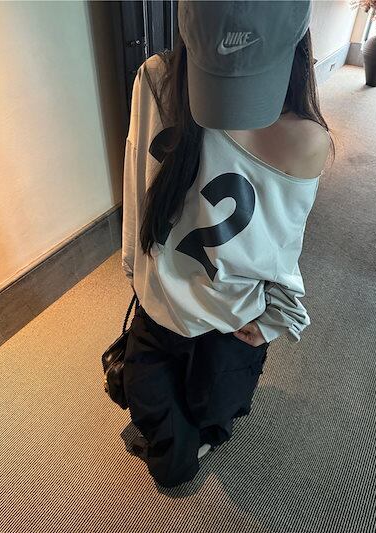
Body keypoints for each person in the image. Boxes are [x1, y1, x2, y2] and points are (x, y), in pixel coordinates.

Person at [121, 0, 335, 488]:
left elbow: (281, 250)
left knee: (210, 412)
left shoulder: (306, 140)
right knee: (158, 421)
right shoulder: (155, 81)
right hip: (159, 303)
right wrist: (135, 270)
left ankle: (203, 432)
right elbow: (137, 183)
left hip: (229, 321)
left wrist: (275, 319)